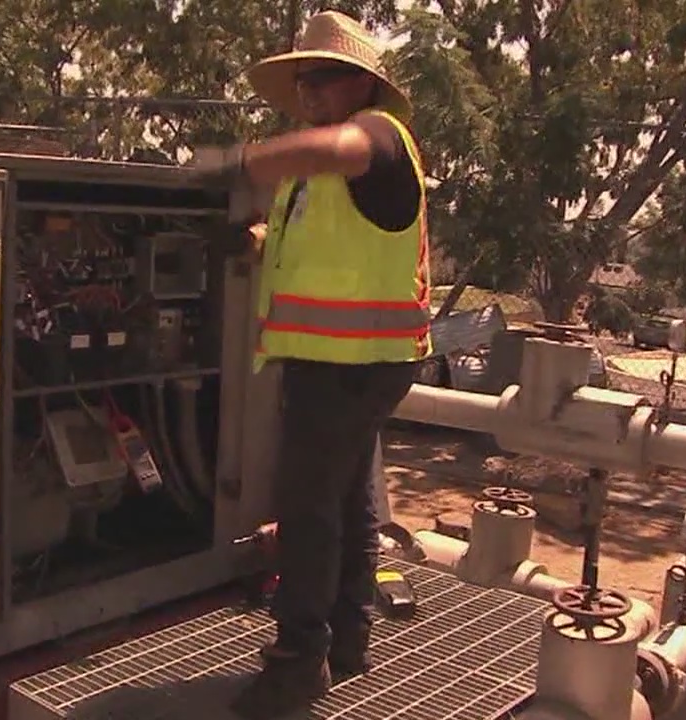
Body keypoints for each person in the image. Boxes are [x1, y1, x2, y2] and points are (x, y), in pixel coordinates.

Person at [191, 10, 433, 719]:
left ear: (360, 81)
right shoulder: (327, 173)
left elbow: (332, 150)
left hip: (349, 363)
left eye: (321, 78)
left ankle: (297, 664)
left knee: (305, 509)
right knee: (347, 499)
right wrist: (256, 238)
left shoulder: (377, 137)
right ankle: (349, 639)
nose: (309, 93)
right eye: (302, 82)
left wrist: (237, 163)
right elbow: (325, 241)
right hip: (350, 361)